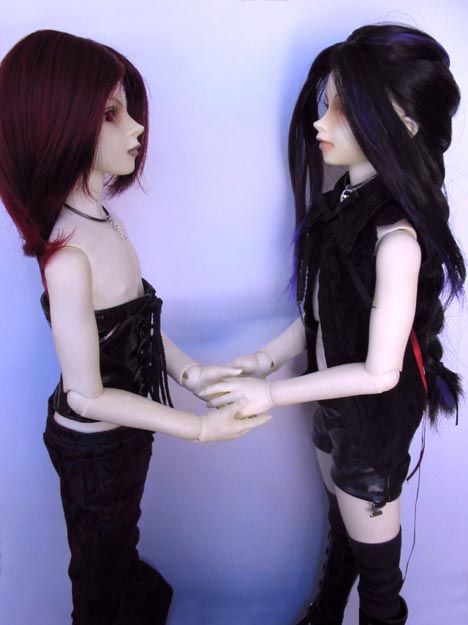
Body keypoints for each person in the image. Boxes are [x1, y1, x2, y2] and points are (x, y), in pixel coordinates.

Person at [0, 30, 270, 625]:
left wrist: (192, 372)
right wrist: (198, 429)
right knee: (99, 580)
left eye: (127, 110)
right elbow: (86, 395)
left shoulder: (106, 223)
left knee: (120, 551)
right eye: (111, 113)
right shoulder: (69, 259)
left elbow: (134, 323)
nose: (137, 128)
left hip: (125, 435)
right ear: (57, 122)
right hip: (93, 447)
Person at [202, 23, 465, 625]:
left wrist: (271, 392)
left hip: (369, 426)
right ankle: (323, 614)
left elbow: (380, 373)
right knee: (341, 532)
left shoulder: (395, 241)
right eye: (327, 103)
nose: (321, 123)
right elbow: (323, 314)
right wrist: (265, 359)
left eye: (344, 108)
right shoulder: (342, 206)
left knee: (380, 585)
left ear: (403, 126)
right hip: (330, 407)